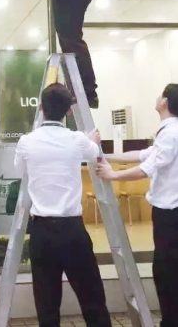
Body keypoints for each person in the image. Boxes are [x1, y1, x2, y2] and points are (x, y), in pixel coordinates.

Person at [97, 84, 178, 327]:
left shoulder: (172, 134)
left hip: (172, 213)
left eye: (162, 94)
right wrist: (105, 155)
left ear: (165, 102)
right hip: (172, 213)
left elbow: (146, 169)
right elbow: (144, 154)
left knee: (168, 273)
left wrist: (113, 176)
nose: (158, 96)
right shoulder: (172, 131)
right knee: (170, 272)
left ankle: (177, 322)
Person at [15, 83, 111, 327]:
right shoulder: (77, 140)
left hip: (41, 232)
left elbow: (20, 168)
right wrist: (93, 139)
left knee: (47, 304)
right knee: (92, 298)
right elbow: (94, 153)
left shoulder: (26, 142)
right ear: (69, 111)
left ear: (40, 108)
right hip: (72, 231)